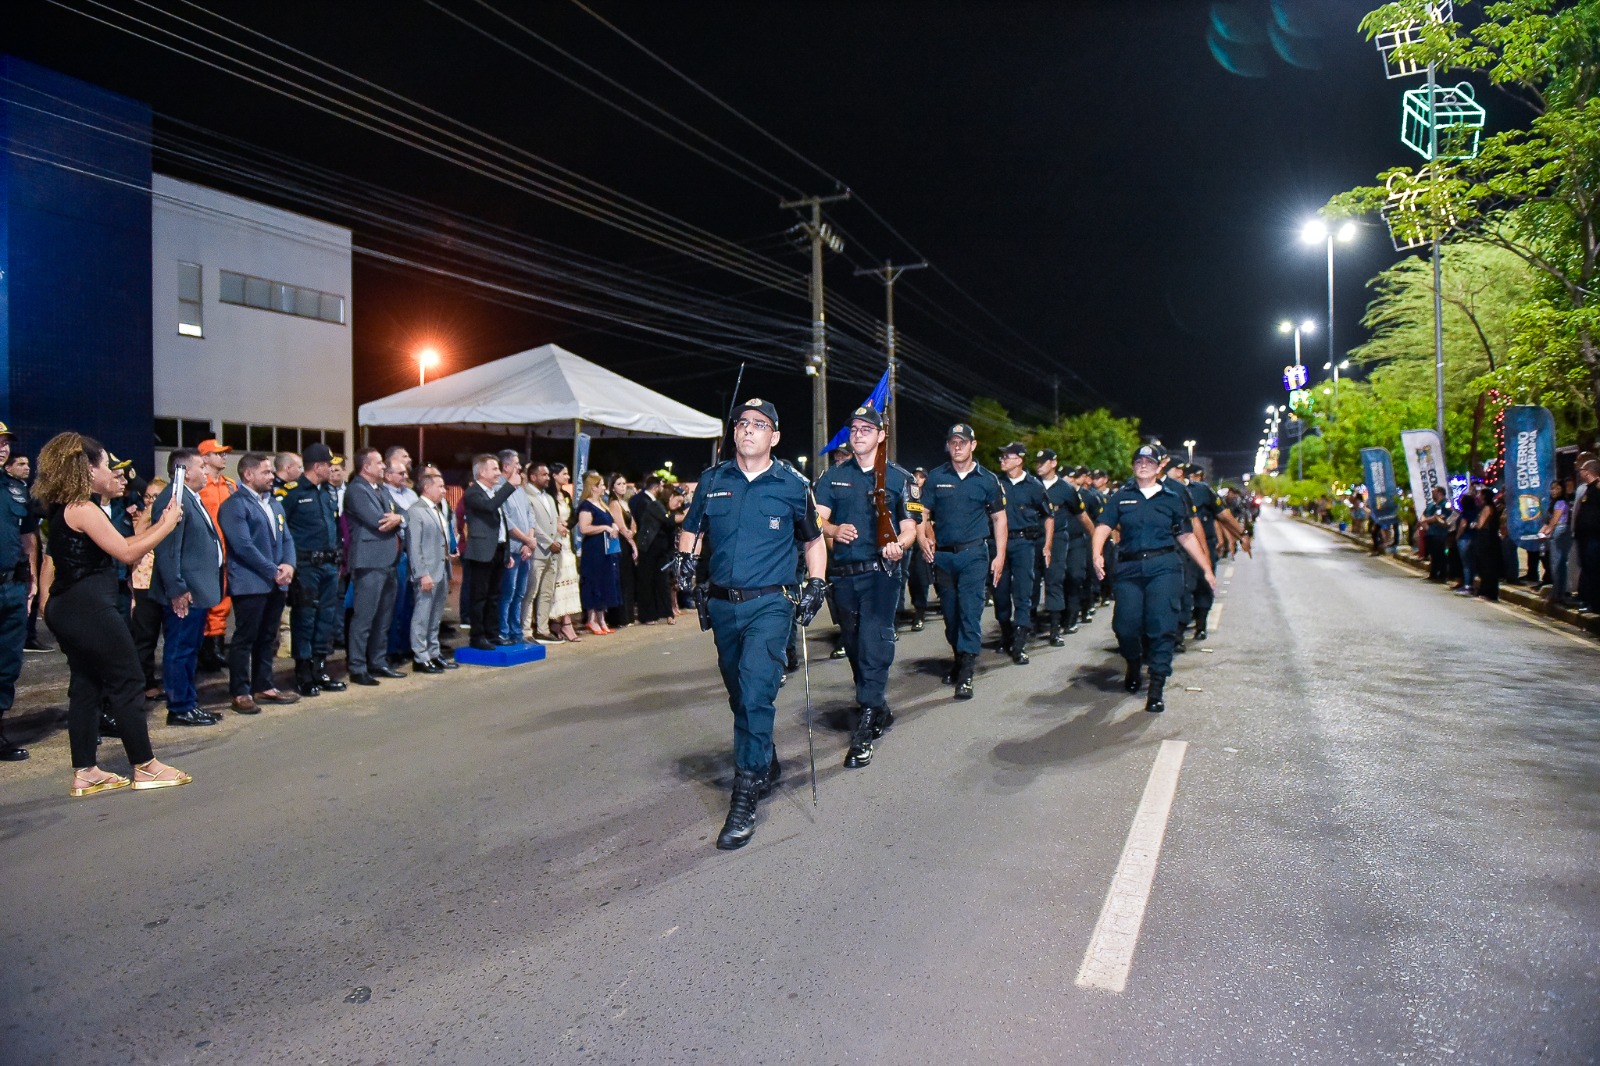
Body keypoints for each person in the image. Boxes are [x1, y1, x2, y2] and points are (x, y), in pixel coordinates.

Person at [670, 398, 827, 850]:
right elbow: (692, 528)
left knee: (757, 688)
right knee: (740, 694)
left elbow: (814, 541)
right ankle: (765, 755)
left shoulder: (793, 486)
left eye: (760, 425)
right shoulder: (712, 480)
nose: (749, 430)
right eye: (742, 423)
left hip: (770, 605)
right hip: (722, 606)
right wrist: (685, 557)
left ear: (774, 436)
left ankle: (746, 792)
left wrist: (816, 584)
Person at [34, 433, 192, 795]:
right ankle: (146, 766)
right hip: (87, 607)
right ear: (88, 469)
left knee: (87, 685)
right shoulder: (82, 508)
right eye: (105, 463)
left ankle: (86, 770)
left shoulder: (66, 508)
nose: (111, 470)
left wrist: (148, 526)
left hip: (73, 606)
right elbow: (123, 552)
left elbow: (114, 552)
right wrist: (166, 524)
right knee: (128, 680)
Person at [812, 405, 916, 769]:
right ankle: (877, 703)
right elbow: (816, 517)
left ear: (880, 435)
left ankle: (867, 722)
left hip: (881, 573)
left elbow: (911, 526)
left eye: (866, 429)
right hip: (843, 575)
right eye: (853, 429)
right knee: (854, 643)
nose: (858, 434)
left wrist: (899, 545)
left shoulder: (900, 478)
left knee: (873, 639)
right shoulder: (833, 476)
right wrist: (833, 530)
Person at [1091, 444, 1217, 714]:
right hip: (1129, 568)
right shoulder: (1121, 496)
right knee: (1125, 626)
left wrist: (1206, 568)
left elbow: (1186, 535)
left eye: (1150, 461)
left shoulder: (1172, 497)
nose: (1144, 464)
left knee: (1161, 626)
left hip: (1164, 567)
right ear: (1133, 466)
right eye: (1139, 461)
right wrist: (1096, 553)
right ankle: (1134, 663)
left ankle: (1157, 686)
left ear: (1160, 466)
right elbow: (1103, 525)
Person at [918, 423, 1007, 700]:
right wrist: (922, 538)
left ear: (973, 445)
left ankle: (966, 671)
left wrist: (1000, 555)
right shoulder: (935, 477)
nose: (957, 446)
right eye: (953, 442)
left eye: (962, 442)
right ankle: (959, 657)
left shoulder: (987, 479)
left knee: (970, 611)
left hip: (974, 555)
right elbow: (922, 510)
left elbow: (999, 519)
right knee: (951, 614)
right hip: (943, 556)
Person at [217, 452, 299, 713]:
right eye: (265, 472)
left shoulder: (274, 503)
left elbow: (287, 538)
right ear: (248, 475)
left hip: (276, 582)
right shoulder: (234, 505)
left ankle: (264, 685)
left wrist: (289, 565)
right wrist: (273, 569)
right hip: (251, 583)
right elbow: (243, 546)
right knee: (245, 638)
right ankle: (240, 691)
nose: (271, 476)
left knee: (267, 637)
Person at [150, 450, 225, 727]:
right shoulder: (174, 499)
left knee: (189, 649)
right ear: (184, 470)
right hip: (185, 592)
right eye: (201, 466)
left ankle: (188, 703)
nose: (206, 471)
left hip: (196, 589)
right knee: (180, 649)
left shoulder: (190, 497)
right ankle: (180, 706)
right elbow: (168, 549)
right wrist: (177, 588)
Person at [281, 443, 347, 697]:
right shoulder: (293, 493)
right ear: (318, 466)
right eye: (329, 464)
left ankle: (320, 669)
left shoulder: (327, 492)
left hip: (329, 565)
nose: (332, 469)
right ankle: (304, 673)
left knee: (326, 619)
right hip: (306, 567)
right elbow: (282, 530)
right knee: (305, 619)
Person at [344, 447, 404, 684]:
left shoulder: (380, 490)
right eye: (379, 463)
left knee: (384, 617)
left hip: (388, 561)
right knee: (365, 617)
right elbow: (378, 521)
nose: (383, 467)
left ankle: (378, 661)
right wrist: (397, 519)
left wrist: (399, 518)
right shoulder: (357, 490)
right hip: (369, 562)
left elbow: (399, 514)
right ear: (366, 467)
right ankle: (358, 667)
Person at [992, 442, 1052, 665]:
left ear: (1019, 460)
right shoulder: (996, 483)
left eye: (1007, 457)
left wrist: (1047, 545)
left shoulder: (1034, 486)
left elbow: (1048, 515)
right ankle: (1005, 633)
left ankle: (1019, 642)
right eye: (1002, 457)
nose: (1002, 460)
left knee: (1023, 593)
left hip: (1025, 543)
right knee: (999, 591)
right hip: (1000, 544)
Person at [0, 423, 39, 759]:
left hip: (12, 585)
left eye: (5, 442)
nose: (2, 448)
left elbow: (28, 538)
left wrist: (32, 580)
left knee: (8, 662)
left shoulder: (15, 488)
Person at [461, 453, 519, 651]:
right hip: (481, 552)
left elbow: (502, 525)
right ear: (482, 471)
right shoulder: (473, 492)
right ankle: (477, 636)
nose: (498, 473)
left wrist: (507, 551)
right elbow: (489, 507)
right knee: (480, 596)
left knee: (494, 595)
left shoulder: (493, 492)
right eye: (494, 469)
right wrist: (510, 485)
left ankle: (492, 634)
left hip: (498, 550)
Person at [406, 472, 457, 673]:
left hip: (442, 569)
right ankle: (420, 656)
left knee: (435, 616)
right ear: (427, 488)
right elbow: (414, 547)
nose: (444, 490)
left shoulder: (437, 509)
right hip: (427, 573)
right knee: (422, 616)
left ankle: (434, 653)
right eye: (440, 486)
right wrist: (422, 574)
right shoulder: (416, 511)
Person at [195, 439, 237, 673]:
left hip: (227, 552)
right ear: (205, 458)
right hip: (205, 552)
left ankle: (215, 648)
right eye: (218, 453)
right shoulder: (199, 486)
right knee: (205, 601)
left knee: (223, 602)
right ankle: (205, 649)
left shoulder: (230, 485)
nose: (224, 457)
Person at [129, 478, 167, 700]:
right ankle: (145, 682)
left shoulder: (171, 517)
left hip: (167, 582)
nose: (151, 501)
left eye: (156, 496)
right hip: (143, 581)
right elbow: (133, 538)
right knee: (145, 636)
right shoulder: (139, 517)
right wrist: (148, 510)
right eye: (148, 496)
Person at [522, 462, 566, 643]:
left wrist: (557, 541)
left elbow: (555, 521)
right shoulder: (526, 496)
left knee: (547, 592)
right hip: (538, 551)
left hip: (552, 552)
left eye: (548, 475)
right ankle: (525, 630)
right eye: (544, 475)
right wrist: (549, 543)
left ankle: (543, 628)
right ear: (533, 477)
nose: (548, 478)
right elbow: (532, 525)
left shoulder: (548, 497)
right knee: (531, 593)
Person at [496, 450, 537, 644]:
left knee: (520, 592)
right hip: (511, 550)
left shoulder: (519, 489)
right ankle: (503, 632)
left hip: (525, 550)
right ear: (506, 467)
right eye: (516, 463)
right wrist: (527, 541)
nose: (520, 467)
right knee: (507, 593)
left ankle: (516, 631)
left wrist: (529, 541)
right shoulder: (499, 488)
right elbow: (507, 521)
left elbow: (530, 515)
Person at [577, 471, 623, 635]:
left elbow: (610, 522)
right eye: (602, 485)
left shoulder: (602, 504)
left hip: (606, 549)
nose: (604, 487)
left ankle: (601, 618)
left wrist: (614, 527)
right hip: (594, 550)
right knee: (593, 582)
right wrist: (604, 528)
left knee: (604, 581)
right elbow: (584, 528)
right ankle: (591, 619)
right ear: (594, 487)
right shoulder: (586, 506)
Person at [631, 474, 676, 626]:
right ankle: (648, 614)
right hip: (648, 546)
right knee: (647, 581)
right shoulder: (646, 502)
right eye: (661, 486)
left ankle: (661, 612)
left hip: (658, 548)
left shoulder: (654, 502)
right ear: (656, 487)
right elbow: (657, 521)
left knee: (661, 580)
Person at [546, 463, 584, 642]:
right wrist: (556, 525)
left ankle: (564, 621)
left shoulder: (566, 495)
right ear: (554, 475)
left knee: (569, 579)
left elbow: (575, 515)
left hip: (566, 542)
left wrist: (566, 525)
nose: (567, 477)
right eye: (564, 474)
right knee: (557, 580)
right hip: (553, 541)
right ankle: (559, 621)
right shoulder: (548, 495)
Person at [1184, 464, 1221, 639]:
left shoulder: (1203, 491)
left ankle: (1201, 625)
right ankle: (1177, 632)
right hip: (1181, 545)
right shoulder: (1172, 489)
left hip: (1204, 542)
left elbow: (1219, 516)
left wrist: (1235, 535)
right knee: (1182, 587)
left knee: (1203, 586)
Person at [605, 473, 640, 629]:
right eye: (619, 484)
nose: (623, 486)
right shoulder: (614, 503)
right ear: (612, 487)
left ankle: (628, 615)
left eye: (624, 483)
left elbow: (633, 525)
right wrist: (632, 543)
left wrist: (632, 533)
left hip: (628, 541)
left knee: (628, 579)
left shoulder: (625, 503)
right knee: (622, 579)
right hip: (620, 544)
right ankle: (619, 617)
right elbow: (621, 527)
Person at [1574, 459, 1600, 612]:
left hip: (1594, 537)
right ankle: (1589, 601)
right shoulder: (1587, 489)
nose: (1580, 472)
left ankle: (1595, 604)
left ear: (1589, 471)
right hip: (1585, 537)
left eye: (1582, 470)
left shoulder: (1597, 488)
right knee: (1587, 569)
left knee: (1594, 570)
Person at [1472, 486, 1504, 602]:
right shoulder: (1493, 508)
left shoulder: (1487, 508)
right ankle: (1488, 591)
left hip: (1487, 540)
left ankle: (1487, 592)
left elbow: (1480, 525)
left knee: (1487, 567)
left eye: (1480, 494)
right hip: (1491, 540)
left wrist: (1475, 524)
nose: (1478, 496)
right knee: (1489, 567)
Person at [1543, 479, 1572, 605]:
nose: (1554, 491)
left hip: (1560, 530)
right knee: (1558, 564)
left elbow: (1555, 518)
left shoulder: (1560, 503)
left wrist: (1548, 530)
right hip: (1559, 530)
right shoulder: (1555, 503)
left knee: (1557, 564)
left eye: (1557, 488)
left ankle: (1558, 594)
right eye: (1552, 488)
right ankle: (1558, 593)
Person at [1420, 486, 1453, 583]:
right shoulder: (1431, 505)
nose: (1432, 493)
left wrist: (1427, 520)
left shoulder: (1446, 504)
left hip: (1441, 533)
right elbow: (1424, 515)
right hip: (1430, 532)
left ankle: (1443, 575)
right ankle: (1433, 573)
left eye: (1434, 492)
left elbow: (1440, 517)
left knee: (1441, 554)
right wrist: (1426, 523)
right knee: (1433, 554)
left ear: (1440, 492)